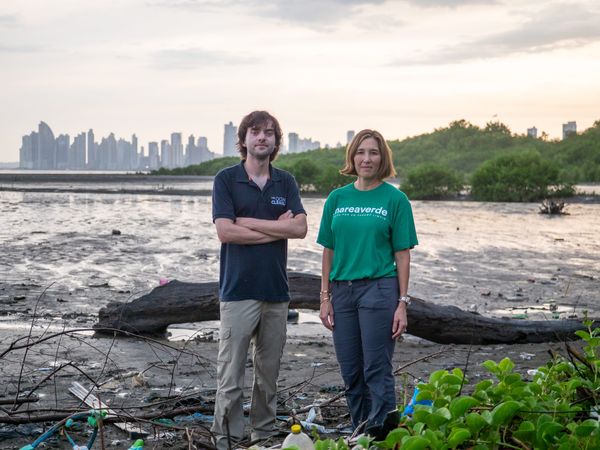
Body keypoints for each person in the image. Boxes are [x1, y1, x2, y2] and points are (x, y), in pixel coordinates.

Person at [211, 110, 307, 449]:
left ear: (276, 141)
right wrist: (276, 230)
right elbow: (225, 231)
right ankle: (226, 438)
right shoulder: (226, 179)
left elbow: (300, 228)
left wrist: (248, 223)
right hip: (238, 292)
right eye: (255, 132)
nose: (262, 137)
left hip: (276, 293)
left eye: (269, 132)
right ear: (244, 139)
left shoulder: (286, 182)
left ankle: (263, 437)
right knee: (231, 375)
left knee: (268, 376)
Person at [317, 129, 418, 439]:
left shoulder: (395, 199)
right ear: (352, 157)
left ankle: (382, 434)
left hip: (379, 289)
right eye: (361, 152)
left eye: (373, 152)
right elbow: (328, 250)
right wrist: (324, 297)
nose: (366, 158)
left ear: (382, 158)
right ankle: (359, 429)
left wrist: (402, 303)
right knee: (350, 369)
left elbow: (402, 254)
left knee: (376, 367)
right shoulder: (337, 198)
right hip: (342, 292)